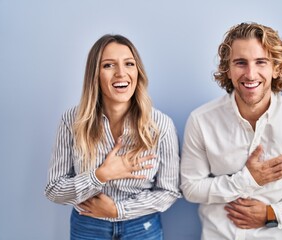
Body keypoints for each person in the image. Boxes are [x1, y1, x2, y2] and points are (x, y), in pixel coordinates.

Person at [180, 22, 282, 240]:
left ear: (276, 68)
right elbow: (190, 187)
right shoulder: (201, 120)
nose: (250, 73)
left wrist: (274, 214)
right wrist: (248, 180)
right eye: (240, 63)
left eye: (261, 62)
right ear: (228, 69)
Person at [45, 34, 181, 240]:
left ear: (138, 72)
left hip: (141, 227)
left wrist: (118, 210)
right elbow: (54, 190)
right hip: (88, 226)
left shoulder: (161, 125)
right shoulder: (72, 121)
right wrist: (100, 175)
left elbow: (169, 192)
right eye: (109, 65)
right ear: (95, 74)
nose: (121, 73)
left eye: (129, 64)